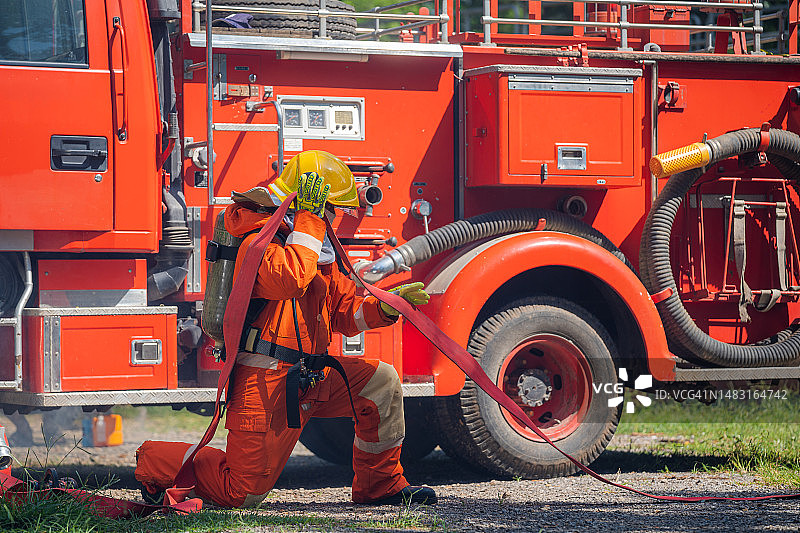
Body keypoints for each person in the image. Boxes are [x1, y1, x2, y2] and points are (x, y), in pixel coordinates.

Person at [135, 150, 436, 508]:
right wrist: (309, 221)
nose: (334, 219)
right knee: (241, 496)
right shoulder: (257, 239)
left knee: (382, 382)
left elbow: (343, 312)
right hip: (265, 386)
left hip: (308, 376)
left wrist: (384, 307)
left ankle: (380, 484)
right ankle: (154, 460)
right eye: (331, 209)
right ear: (307, 203)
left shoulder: (315, 252)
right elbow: (289, 280)